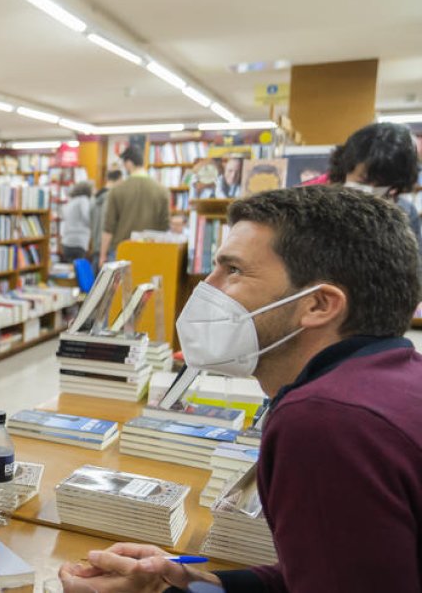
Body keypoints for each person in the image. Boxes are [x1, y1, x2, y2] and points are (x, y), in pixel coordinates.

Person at [59, 185, 422, 593]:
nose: (206, 287)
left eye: (233, 270)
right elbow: (330, 571)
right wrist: (189, 584)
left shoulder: (326, 422)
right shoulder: (395, 381)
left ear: (319, 304)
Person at [327, 121, 421, 247]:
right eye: (363, 181)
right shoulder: (319, 208)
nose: (370, 190)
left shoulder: (406, 212)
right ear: (346, 167)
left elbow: (414, 263)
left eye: (383, 184)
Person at [99, 146, 170, 266]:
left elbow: (109, 227)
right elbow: (165, 227)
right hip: (150, 252)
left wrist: (102, 256)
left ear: (129, 163)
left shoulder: (117, 191)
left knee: (121, 285)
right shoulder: (162, 191)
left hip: (121, 252)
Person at [89, 169, 121, 264]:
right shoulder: (111, 199)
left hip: (95, 246)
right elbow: (107, 224)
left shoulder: (94, 198)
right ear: (119, 180)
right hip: (107, 249)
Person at [60, 180, 94, 263]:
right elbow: (87, 218)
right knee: (79, 270)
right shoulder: (83, 200)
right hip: (79, 241)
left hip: (67, 241)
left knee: (71, 269)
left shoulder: (71, 201)